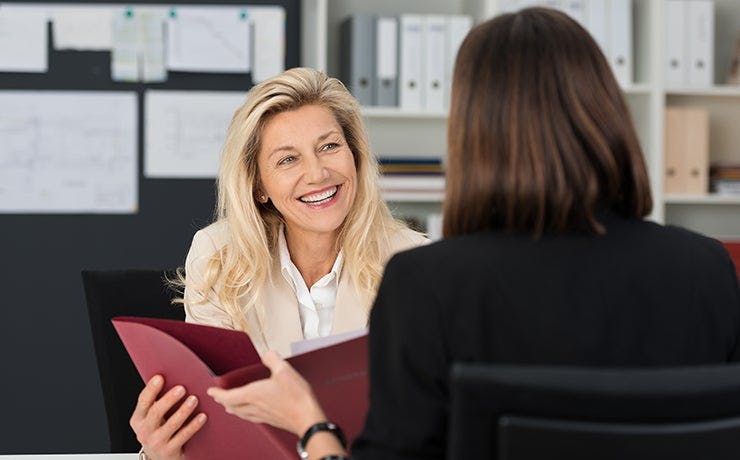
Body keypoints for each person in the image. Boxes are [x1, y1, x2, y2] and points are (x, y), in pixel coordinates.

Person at [207, 7, 740, 460]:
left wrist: (313, 427)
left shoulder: (428, 284)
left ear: (472, 132)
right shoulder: (708, 270)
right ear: (611, 114)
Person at [129, 67, 427, 460]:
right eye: (288, 159)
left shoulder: (414, 266)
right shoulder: (220, 256)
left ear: (355, 157)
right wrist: (160, 453)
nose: (317, 174)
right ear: (259, 186)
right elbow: (212, 426)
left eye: (329, 146)